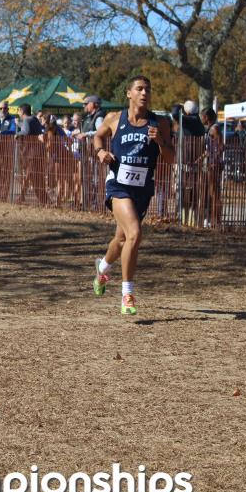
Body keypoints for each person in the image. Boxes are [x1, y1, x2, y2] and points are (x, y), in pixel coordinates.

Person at [90, 76, 172, 314]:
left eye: (148, 89)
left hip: (142, 189)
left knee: (122, 239)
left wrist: (160, 142)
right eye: (139, 89)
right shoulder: (115, 118)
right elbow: (98, 135)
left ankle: (102, 270)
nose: (144, 93)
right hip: (118, 185)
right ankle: (127, 294)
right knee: (135, 234)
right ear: (129, 93)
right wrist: (100, 151)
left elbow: (171, 158)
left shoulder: (160, 122)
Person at [16, 103, 45, 203]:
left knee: (30, 175)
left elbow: (26, 131)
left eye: (18, 110)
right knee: (36, 177)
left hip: (32, 153)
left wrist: (17, 134)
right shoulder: (34, 119)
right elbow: (26, 127)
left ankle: (22, 195)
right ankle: (44, 199)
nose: (18, 113)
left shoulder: (26, 120)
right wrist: (18, 124)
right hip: (39, 151)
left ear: (22, 111)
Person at [200, 107, 223, 228]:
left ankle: (216, 220)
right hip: (208, 164)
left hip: (213, 165)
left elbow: (221, 146)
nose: (201, 119)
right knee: (209, 193)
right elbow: (208, 149)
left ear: (206, 117)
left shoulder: (215, 128)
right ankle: (210, 218)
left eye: (202, 116)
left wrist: (214, 160)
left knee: (214, 193)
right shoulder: (209, 129)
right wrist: (199, 159)